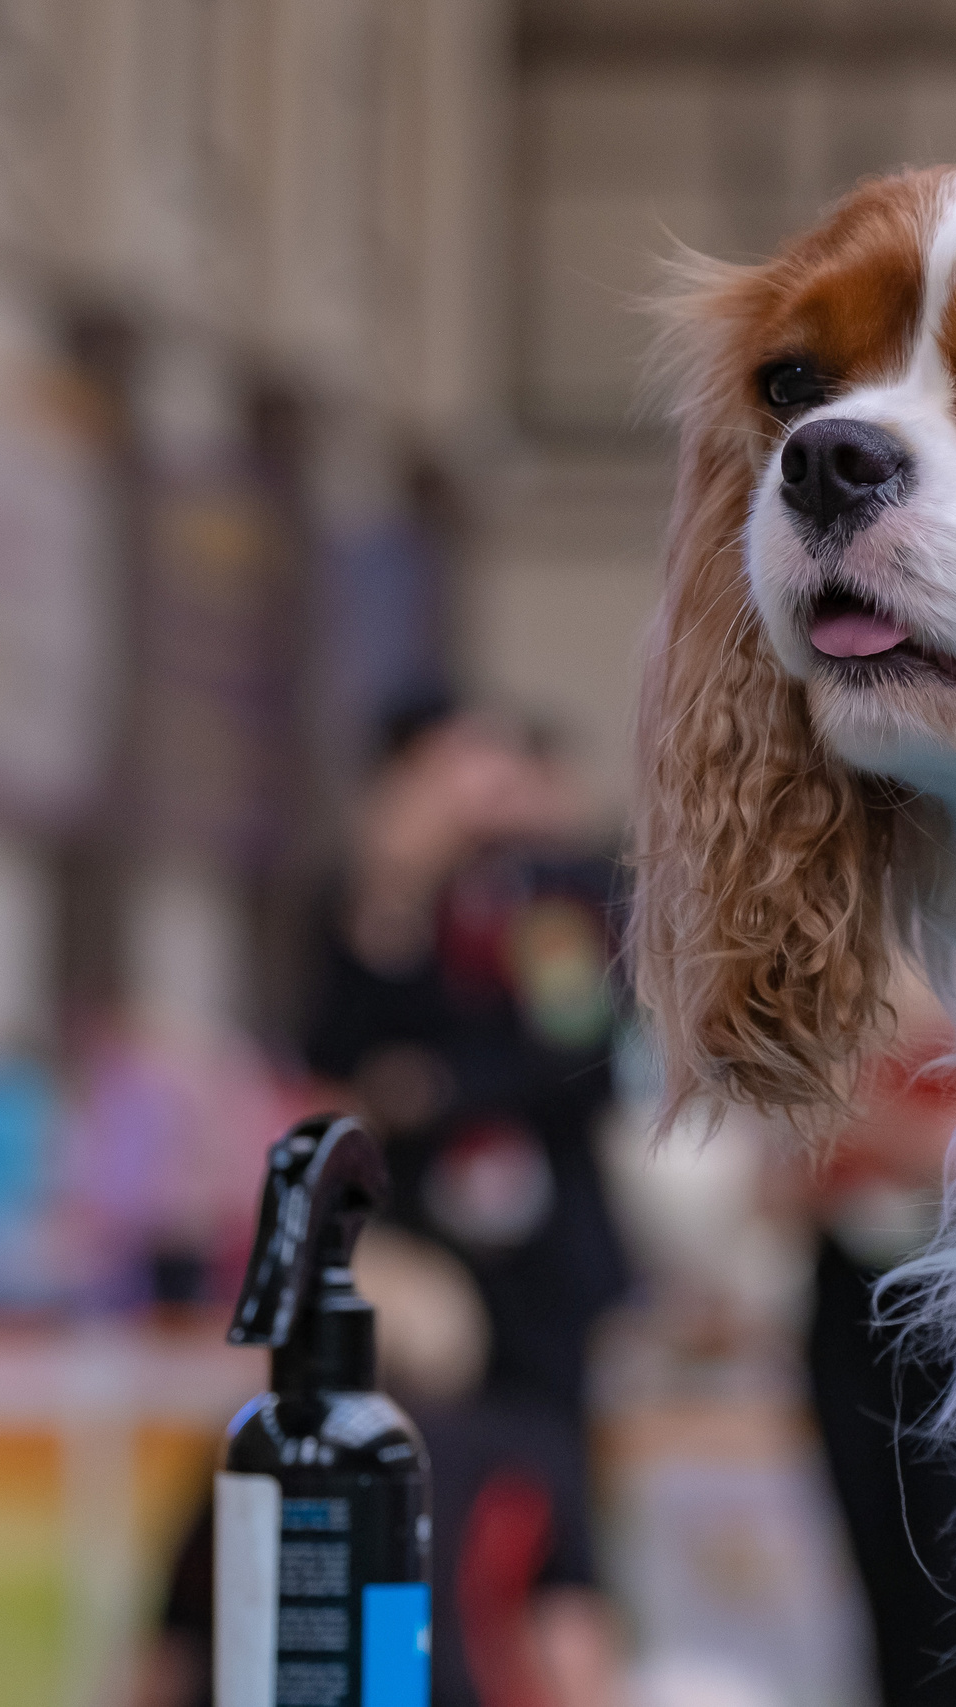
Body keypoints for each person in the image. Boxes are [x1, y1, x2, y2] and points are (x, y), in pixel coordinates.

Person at [299, 693, 634, 1707]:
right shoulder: (377, 907)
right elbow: (335, 1057)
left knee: (553, 1524)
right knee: (404, 1503)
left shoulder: (548, 896)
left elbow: (577, 1052)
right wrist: (390, 895)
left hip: (539, 1273)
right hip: (420, 1277)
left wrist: (438, 1090)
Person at [795, 974, 956, 1707]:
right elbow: (785, 1170)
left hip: (954, 1292)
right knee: (877, 1554)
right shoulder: (839, 1014)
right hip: (852, 1296)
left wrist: (861, 1116)